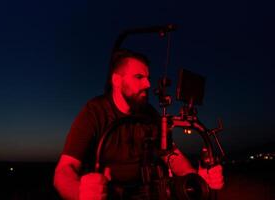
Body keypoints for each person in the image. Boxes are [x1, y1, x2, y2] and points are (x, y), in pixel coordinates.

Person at [53, 49, 224, 200]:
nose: (148, 84)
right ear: (117, 80)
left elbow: (172, 154)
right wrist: (80, 194)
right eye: (139, 77)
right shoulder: (94, 112)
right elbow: (64, 170)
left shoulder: (148, 113)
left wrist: (196, 177)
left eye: (148, 78)